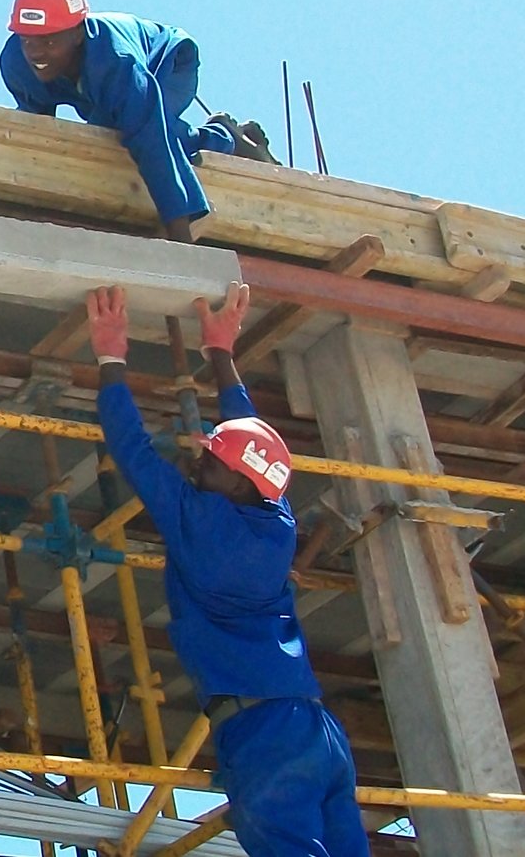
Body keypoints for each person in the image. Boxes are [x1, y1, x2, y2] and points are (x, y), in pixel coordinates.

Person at [86, 281, 368, 857]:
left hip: (265, 735)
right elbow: (252, 445)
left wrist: (111, 356)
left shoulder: (204, 526)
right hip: (315, 734)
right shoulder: (274, 517)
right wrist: (222, 354)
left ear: (235, 484)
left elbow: (135, 451)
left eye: (209, 462)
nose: (197, 459)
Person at [0, 0, 273, 243]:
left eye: (48, 41)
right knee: (110, 131)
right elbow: (38, 128)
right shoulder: (17, 63)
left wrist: (181, 237)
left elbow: (151, 140)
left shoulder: (118, 65)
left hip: (170, 64)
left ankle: (225, 139)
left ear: (78, 34)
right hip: (106, 94)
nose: (35, 53)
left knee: (138, 132)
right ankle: (219, 135)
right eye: (28, 41)